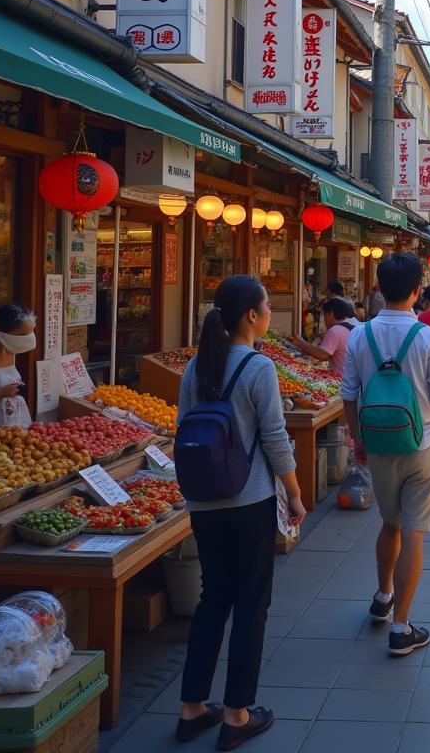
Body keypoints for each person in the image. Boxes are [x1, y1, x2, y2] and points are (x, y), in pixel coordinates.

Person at [176, 276, 306, 749]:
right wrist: (293, 492)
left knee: (214, 598)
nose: (270, 313)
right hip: (248, 500)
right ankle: (236, 714)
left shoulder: (196, 366)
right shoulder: (257, 367)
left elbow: (181, 429)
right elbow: (274, 438)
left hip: (203, 501)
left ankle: (191, 707)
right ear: (251, 315)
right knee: (252, 604)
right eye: (267, 306)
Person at [341, 253, 430, 656]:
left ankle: (382, 595)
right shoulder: (426, 337)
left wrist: (358, 437)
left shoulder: (360, 334)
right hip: (423, 442)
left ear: (378, 288)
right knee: (414, 532)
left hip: (377, 443)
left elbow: (349, 393)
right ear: (416, 291)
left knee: (389, 525)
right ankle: (402, 626)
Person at [0, 304, 34, 429]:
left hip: (17, 423)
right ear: (3, 332)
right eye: (21, 335)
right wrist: (1, 393)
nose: (25, 340)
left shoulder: (11, 350)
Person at [293, 298, 354, 375]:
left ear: (330, 314)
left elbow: (322, 355)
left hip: (343, 379)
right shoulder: (350, 327)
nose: (324, 320)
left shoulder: (335, 330)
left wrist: (301, 343)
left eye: (324, 315)